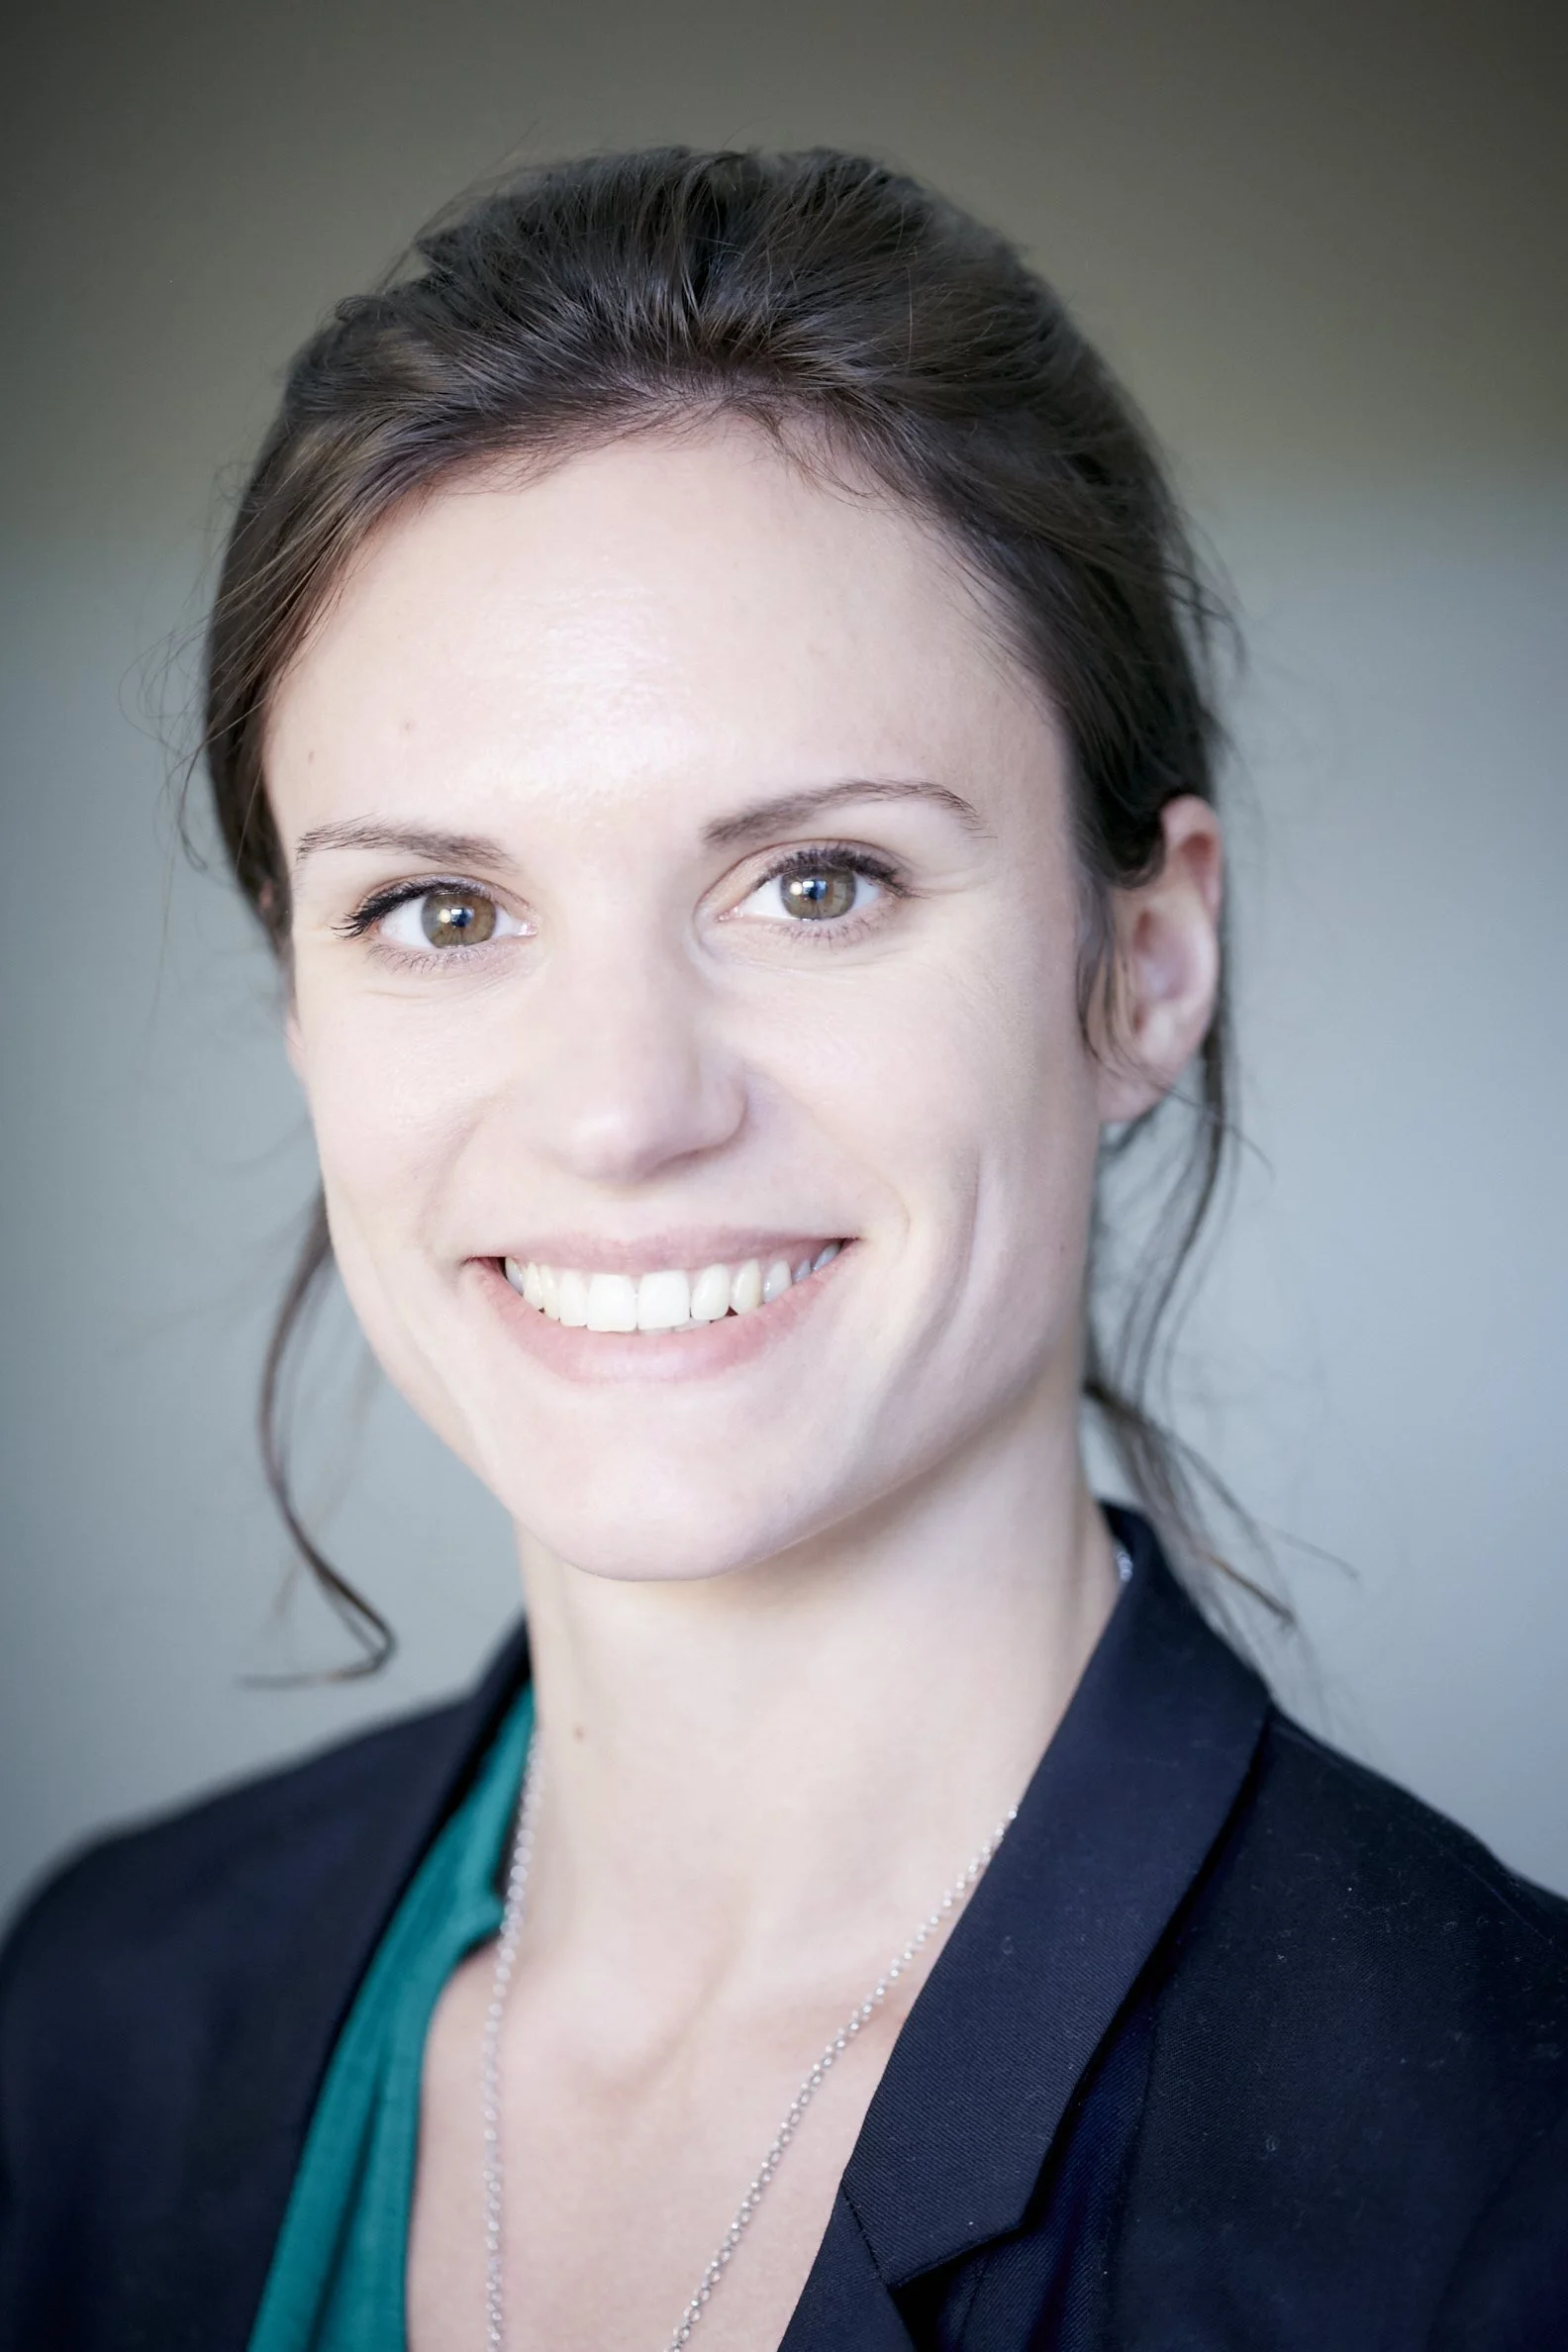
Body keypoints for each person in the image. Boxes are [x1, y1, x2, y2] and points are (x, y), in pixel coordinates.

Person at [0, 146, 1563, 2352]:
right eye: (440, 913)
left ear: (1147, 962)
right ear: (301, 1012)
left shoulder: (1506, 2187)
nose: (626, 1110)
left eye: (816, 882)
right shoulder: (84, 2028)